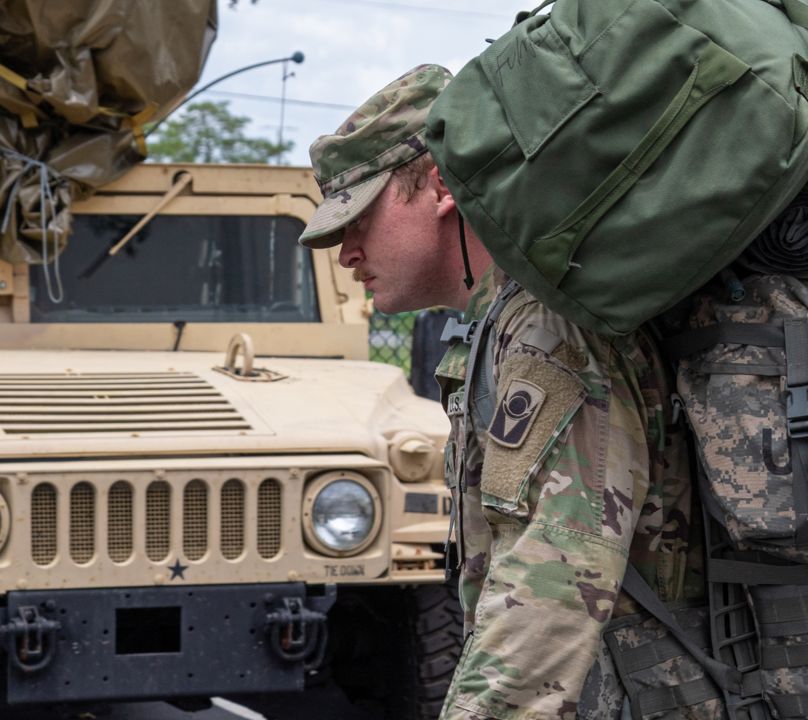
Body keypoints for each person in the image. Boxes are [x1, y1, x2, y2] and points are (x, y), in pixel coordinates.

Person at [298, 64, 702, 719]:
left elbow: (556, 576)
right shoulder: (509, 321)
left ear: (437, 184)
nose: (346, 254)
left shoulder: (545, 330)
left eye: (361, 218)